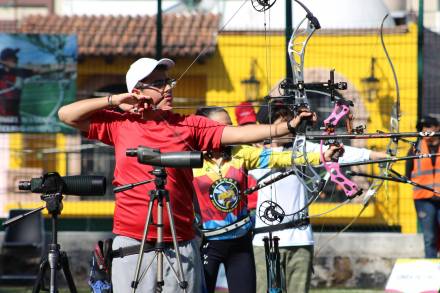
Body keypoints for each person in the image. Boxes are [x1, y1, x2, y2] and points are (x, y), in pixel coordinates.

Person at [57, 57, 341, 292]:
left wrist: (287, 127)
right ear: (138, 91)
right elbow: (66, 115)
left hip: (180, 242)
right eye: (158, 84)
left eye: (169, 81)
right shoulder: (119, 125)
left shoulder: (188, 125)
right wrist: (114, 99)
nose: (168, 88)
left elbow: (237, 133)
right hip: (133, 240)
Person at [192, 106, 339, 293]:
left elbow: (281, 158)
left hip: (240, 243)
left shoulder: (240, 153)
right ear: (203, 129)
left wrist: (321, 155)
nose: (231, 131)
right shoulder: (190, 159)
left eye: (231, 126)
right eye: (223, 127)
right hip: (207, 242)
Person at [251, 105, 388, 293]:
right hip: (265, 240)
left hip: (300, 239)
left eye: (292, 122)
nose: (291, 127)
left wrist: (378, 156)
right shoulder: (252, 154)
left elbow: (342, 153)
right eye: (284, 123)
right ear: (268, 128)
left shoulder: (302, 147)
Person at [405, 115, 440, 258]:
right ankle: (431, 269)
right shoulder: (415, 149)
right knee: (429, 237)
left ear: (437, 128)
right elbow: (408, 174)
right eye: (423, 128)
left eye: (429, 126)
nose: (426, 130)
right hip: (423, 199)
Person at [0, 47, 36, 125]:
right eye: (14, 56)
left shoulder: (20, 71)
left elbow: (38, 70)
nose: (17, 58)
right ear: (7, 59)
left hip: (15, 118)